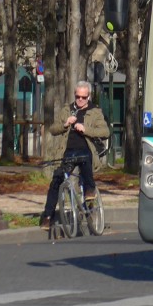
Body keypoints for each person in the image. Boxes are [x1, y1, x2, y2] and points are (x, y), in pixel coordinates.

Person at [40, 80, 109, 230]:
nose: (80, 100)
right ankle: (47, 216)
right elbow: (53, 129)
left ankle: (90, 191)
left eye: (84, 97)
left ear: (89, 96)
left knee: (85, 165)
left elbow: (105, 132)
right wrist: (65, 124)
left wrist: (86, 129)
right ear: (74, 95)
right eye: (78, 97)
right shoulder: (67, 110)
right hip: (67, 151)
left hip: (86, 150)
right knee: (56, 180)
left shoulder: (95, 111)